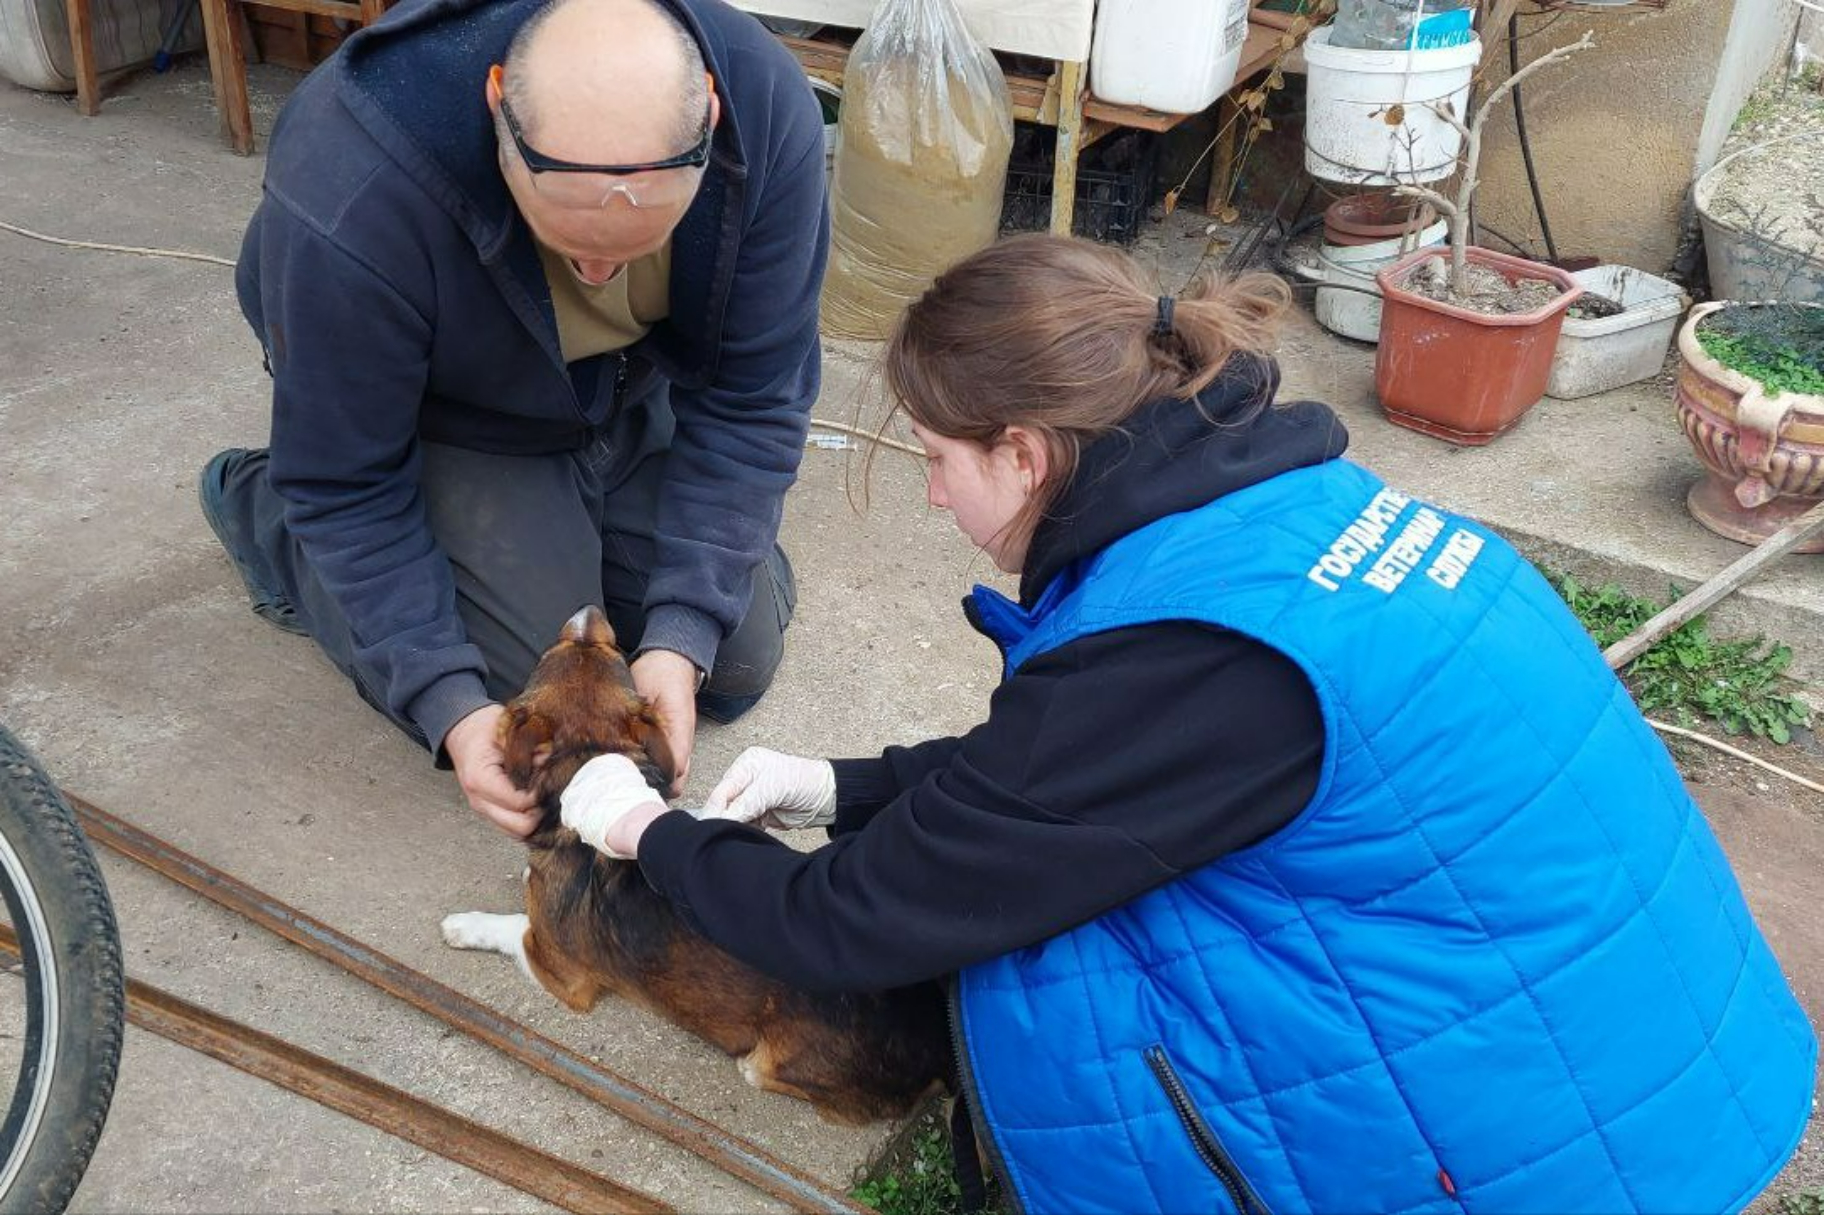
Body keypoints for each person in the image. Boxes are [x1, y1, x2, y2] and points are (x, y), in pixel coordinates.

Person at [551, 233, 1816, 1214]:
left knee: (1048, 976)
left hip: (1565, 1153)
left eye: (939, 458)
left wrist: (646, 829)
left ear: (1026, 452)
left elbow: (846, 923)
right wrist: (843, 784)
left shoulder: (1182, 659)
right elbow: (1081, 781)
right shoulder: (1272, 507)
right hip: (1636, 1036)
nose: (930, 493)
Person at [199, 0, 827, 835]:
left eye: (637, 244)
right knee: (522, 713)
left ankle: (599, 492)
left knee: (732, 661)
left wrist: (683, 631)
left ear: (709, 119)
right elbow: (348, 483)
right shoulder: (352, 182)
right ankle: (264, 507)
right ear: (498, 107)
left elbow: (757, 397)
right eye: (568, 242)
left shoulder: (767, 114)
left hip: (620, 384)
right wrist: (447, 703)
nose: (600, 273)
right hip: (448, 406)